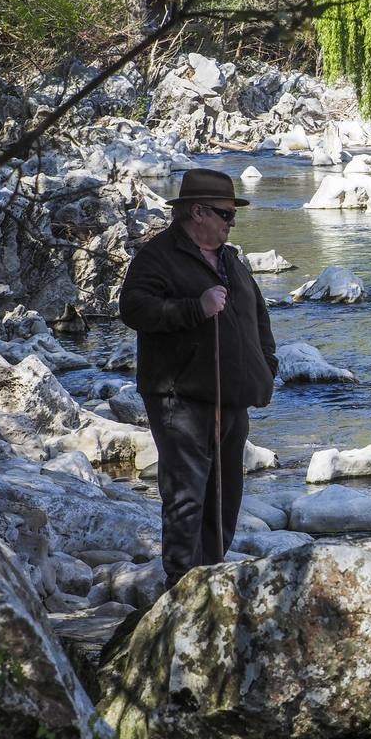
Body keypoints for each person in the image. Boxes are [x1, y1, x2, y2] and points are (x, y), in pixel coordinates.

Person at [120, 168, 278, 589]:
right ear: (198, 212)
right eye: (227, 215)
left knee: (226, 492)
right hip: (181, 397)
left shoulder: (229, 259)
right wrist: (195, 307)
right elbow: (134, 310)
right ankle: (181, 583)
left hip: (231, 397)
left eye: (232, 216)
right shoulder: (158, 256)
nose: (232, 223)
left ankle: (210, 575)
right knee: (187, 492)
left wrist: (267, 364)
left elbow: (257, 316)